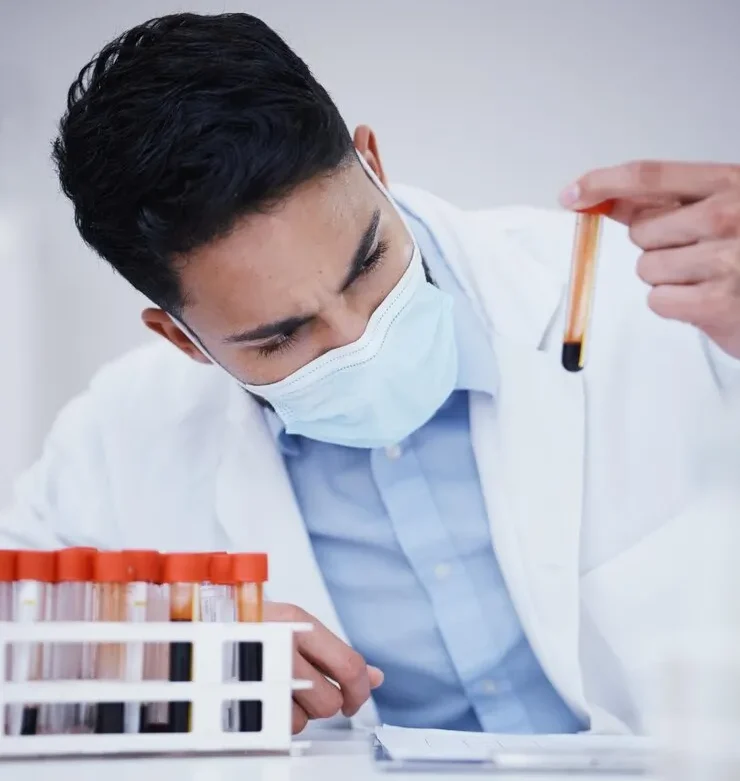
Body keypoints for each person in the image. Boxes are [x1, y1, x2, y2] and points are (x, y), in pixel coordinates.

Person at [2, 11, 740, 736]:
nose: (360, 339)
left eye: (369, 265)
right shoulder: (118, 441)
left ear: (374, 166)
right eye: (282, 336)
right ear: (183, 339)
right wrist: (157, 654)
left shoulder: (660, 300)